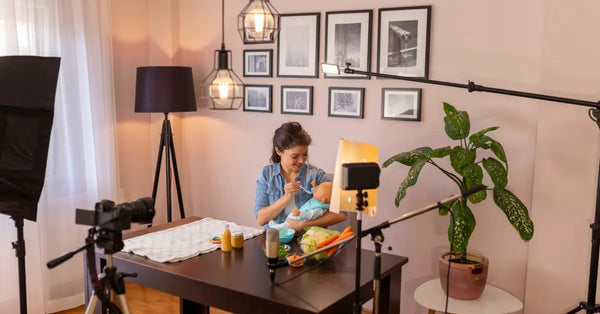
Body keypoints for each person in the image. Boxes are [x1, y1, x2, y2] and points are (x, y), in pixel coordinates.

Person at [254, 122, 346, 232]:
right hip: (275, 240)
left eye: (305, 154)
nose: (301, 160)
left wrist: (303, 225)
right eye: (295, 156)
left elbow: (341, 214)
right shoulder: (267, 174)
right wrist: (286, 197)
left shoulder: (316, 175)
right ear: (278, 151)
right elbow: (261, 219)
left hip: (307, 241)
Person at [268, 181, 332, 229]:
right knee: (287, 221)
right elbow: (317, 192)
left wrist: (300, 214)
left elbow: (310, 215)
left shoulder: (319, 209)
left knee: (287, 225)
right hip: (296, 215)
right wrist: (315, 187)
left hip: (299, 219)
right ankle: (278, 225)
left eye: (317, 190)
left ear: (323, 200)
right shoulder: (319, 200)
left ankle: (274, 227)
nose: (315, 191)